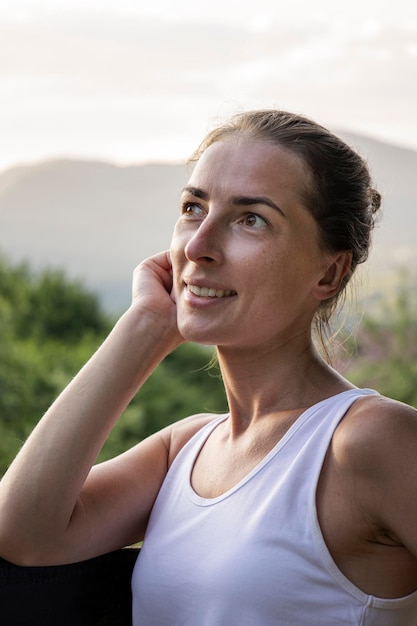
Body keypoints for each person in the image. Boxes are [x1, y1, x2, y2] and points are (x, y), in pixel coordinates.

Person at [0, 109, 417, 626]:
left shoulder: (371, 440)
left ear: (329, 272)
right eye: (193, 208)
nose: (198, 247)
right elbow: (25, 536)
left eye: (252, 219)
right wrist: (145, 328)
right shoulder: (185, 448)